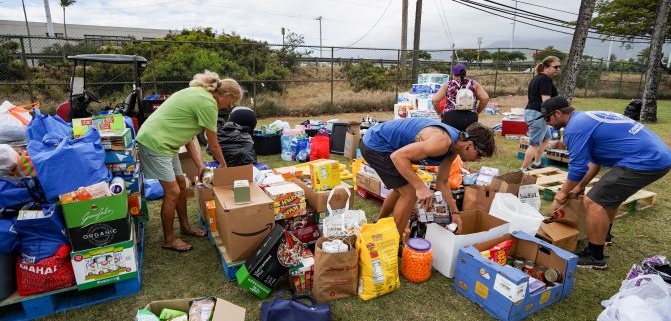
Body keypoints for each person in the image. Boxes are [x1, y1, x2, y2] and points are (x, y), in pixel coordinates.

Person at [541, 96, 671, 270]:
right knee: (608, 198)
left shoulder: (574, 128)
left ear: (557, 113)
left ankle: (595, 256)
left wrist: (562, 193)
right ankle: (605, 236)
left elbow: (577, 169)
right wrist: (580, 187)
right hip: (656, 157)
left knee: (593, 202)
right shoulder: (585, 119)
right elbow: (593, 164)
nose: (547, 123)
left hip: (645, 161)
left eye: (547, 118)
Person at [136, 70, 243, 252]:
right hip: (155, 143)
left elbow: (191, 137)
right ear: (225, 95)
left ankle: (185, 227)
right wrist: (224, 165)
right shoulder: (208, 103)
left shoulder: (198, 93)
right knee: (173, 192)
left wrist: (201, 165)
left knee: (182, 185)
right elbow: (213, 144)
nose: (229, 106)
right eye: (231, 102)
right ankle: (169, 239)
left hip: (167, 144)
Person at [360, 118, 496, 237]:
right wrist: (419, 186)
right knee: (410, 193)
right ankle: (392, 243)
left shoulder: (452, 150)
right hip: (376, 144)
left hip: (384, 145)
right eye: (480, 155)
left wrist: (455, 213)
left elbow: (442, 182)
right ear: (470, 145)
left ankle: (377, 225)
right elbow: (398, 157)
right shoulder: (442, 142)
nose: (478, 160)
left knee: (400, 190)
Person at [520, 56, 560, 172]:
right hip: (538, 114)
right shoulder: (545, 79)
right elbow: (546, 101)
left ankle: (536, 163)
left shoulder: (538, 78)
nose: (558, 69)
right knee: (535, 143)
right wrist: (554, 114)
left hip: (534, 112)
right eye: (555, 67)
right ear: (546, 67)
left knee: (546, 138)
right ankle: (523, 169)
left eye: (559, 67)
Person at [432, 63, 489, 131]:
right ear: (465, 73)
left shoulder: (448, 85)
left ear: (453, 74)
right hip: (470, 118)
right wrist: (477, 112)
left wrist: (439, 113)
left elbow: (435, 100)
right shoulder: (474, 84)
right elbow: (485, 98)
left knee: (450, 139)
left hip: (451, 117)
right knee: (469, 139)